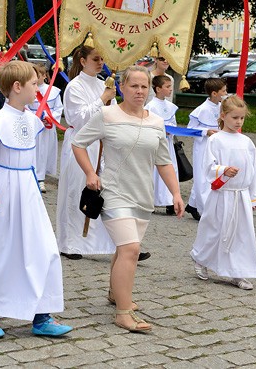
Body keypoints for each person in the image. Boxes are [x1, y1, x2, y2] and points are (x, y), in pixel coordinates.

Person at [72, 65, 184, 333]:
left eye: (144, 86)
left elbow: (163, 162)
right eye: (134, 86)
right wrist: (90, 173)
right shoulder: (107, 115)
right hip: (113, 193)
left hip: (142, 196)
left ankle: (115, 293)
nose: (139, 91)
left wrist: (176, 193)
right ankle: (123, 313)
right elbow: (78, 143)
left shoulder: (156, 121)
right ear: (122, 87)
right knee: (131, 249)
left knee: (123, 250)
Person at [0, 61, 72, 339]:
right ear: (17, 88)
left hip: (28, 190)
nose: (38, 88)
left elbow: (30, 159)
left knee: (43, 248)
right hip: (2, 193)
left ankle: (42, 314)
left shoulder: (32, 120)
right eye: (34, 84)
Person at [190, 95, 256, 291]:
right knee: (215, 229)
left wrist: (253, 195)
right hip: (221, 195)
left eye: (241, 118)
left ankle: (236, 271)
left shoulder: (247, 142)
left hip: (240, 195)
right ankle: (201, 258)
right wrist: (223, 170)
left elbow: (253, 169)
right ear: (223, 116)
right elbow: (207, 166)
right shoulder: (215, 140)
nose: (238, 122)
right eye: (235, 118)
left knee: (241, 233)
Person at [56, 45, 117, 260]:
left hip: (101, 144)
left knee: (104, 193)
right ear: (83, 61)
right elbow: (79, 119)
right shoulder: (75, 86)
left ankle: (112, 243)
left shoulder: (104, 84)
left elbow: (112, 116)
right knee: (77, 191)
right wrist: (103, 99)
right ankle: (70, 243)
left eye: (102, 59)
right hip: (80, 144)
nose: (100, 63)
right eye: (96, 59)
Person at [184, 78, 226, 220]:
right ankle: (205, 210)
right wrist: (205, 131)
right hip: (203, 147)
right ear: (214, 93)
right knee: (203, 177)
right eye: (224, 91)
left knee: (213, 174)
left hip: (217, 146)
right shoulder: (201, 109)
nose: (226, 93)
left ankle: (193, 205)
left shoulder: (222, 107)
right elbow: (191, 129)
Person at [145, 75, 179, 215]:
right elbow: (148, 125)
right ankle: (152, 200)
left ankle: (170, 200)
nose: (170, 89)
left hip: (168, 143)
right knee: (155, 171)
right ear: (158, 89)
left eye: (171, 87)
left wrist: (171, 130)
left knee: (171, 168)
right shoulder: (150, 107)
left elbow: (174, 123)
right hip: (156, 143)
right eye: (167, 87)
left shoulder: (171, 107)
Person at [27, 64, 62, 193]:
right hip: (34, 127)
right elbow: (26, 107)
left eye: (39, 75)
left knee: (44, 153)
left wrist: (49, 117)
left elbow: (58, 108)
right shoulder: (30, 89)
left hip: (47, 127)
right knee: (34, 152)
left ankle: (41, 179)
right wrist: (35, 117)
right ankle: (33, 176)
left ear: (44, 76)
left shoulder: (53, 91)